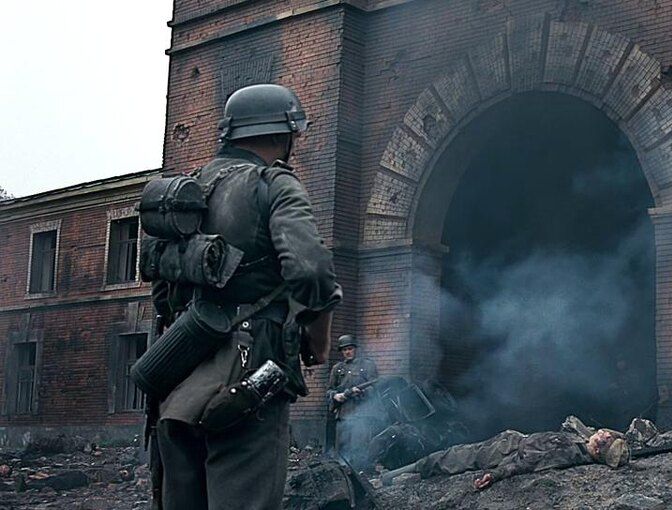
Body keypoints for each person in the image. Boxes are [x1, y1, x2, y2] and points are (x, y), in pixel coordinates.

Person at [150, 83, 341, 509]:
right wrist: (319, 339)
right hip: (248, 382)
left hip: (175, 379)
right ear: (282, 135)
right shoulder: (273, 184)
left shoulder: (187, 188)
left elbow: (162, 292)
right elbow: (312, 271)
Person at [381, 418, 630, 490]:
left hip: (502, 451)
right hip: (509, 442)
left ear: (599, 449)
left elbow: (528, 462)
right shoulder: (580, 446)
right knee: (450, 456)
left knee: (449, 457)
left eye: (605, 437)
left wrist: (495, 475)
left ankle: (391, 477)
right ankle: (403, 474)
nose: (602, 433)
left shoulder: (566, 453)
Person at [327, 334, 380, 468]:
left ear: (356, 349)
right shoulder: (338, 368)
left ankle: (361, 473)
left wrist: (361, 392)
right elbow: (329, 390)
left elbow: (375, 387)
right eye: (344, 350)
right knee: (341, 447)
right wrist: (336, 396)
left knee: (359, 447)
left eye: (350, 349)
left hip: (362, 414)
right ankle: (343, 473)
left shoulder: (367, 365)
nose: (347, 352)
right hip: (344, 413)